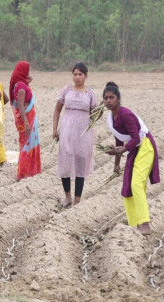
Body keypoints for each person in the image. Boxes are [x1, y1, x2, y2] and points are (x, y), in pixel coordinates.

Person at [102, 81, 160, 235]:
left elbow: (135, 138)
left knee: (136, 184)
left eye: (111, 97)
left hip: (145, 146)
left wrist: (123, 149)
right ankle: (134, 224)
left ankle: (145, 224)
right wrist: (116, 164)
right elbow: (118, 141)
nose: (108, 101)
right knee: (127, 187)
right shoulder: (111, 118)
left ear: (118, 99)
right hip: (135, 149)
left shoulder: (125, 114)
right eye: (106, 98)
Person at [52, 62, 98, 207]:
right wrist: (55, 129)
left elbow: (94, 115)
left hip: (83, 133)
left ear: (86, 76)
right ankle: (67, 197)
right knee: (65, 163)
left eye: (80, 74)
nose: (77, 77)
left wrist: (100, 112)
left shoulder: (90, 93)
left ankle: (77, 200)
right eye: (75, 74)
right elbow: (57, 110)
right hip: (66, 130)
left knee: (80, 164)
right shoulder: (66, 90)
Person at [9, 60, 41, 181]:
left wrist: (26, 77)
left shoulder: (18, 83)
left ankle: (29, 171)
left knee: (26, 143)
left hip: (26, 119)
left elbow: (29, 80)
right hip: (26, 120)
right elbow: (21, 106)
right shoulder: (22, 87)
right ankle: (23, 173)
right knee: (26, 146)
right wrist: (27, 123)